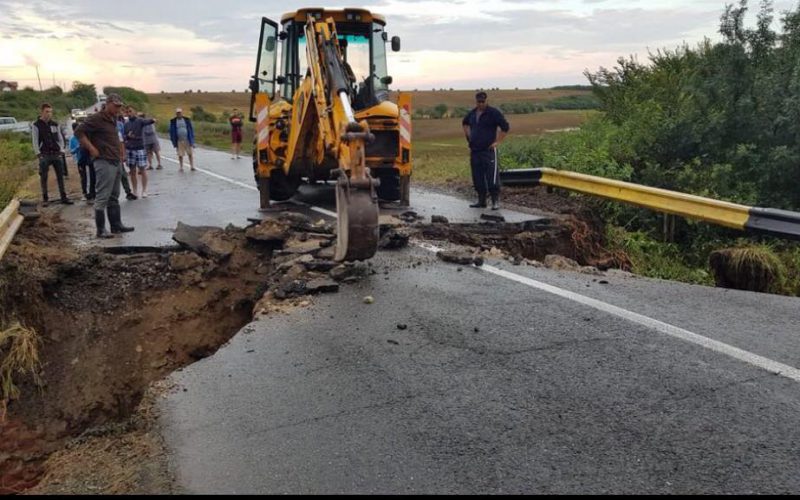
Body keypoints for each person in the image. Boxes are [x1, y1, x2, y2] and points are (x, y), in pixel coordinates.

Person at [75, 93, 135, 238]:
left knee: (114, 195)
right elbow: (79, 132)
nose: (117, 109)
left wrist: (121, 155)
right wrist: (91, 148)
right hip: (103, 161)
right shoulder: (96, 118)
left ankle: (116, 225)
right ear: (107, 104)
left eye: (119, 107)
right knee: (102, 196)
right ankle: (100, 229)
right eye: (115, 106)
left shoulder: (113, 119)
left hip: (115, 160)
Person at [461, 91, 510, 210]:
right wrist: (469, 137)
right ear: (476, 101)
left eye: (483, 101)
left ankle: (495, 201)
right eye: (479, 102)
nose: (481, 104)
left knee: (492, 177)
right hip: (475, 150)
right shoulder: (472, 114)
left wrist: (497, 142)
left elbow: (505, 127)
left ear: (486, 101)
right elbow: (465, 123)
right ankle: (481, 201)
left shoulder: (493, 113)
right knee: (477, 177)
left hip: (488, 151)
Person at [31, 103, 73, 205]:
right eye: (47, 112)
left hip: (56, 153)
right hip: (44, 154)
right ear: (41, 112)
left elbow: (60, 138)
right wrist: (38, 153)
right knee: (44, 177)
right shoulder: (36, 125)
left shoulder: (55, 124)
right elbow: (35, 140)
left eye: (50, 112)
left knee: (60, 176)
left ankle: (63, 197)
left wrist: (61, 150)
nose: (49, 114)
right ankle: (45, 198)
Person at [123, 107, 156, 198]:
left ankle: (144, 190)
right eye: (127, 112)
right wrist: (128, 136)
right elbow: (124, 137)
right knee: (132, 171)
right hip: (130, 149)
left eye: (130, 111)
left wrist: (153, 120)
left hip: (139, 148)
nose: (129, 113)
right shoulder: (126, 124)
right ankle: (135, 191)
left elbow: (148, 121)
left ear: (135, 112)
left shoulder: (139, 121)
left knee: (142, 170)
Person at [69, 122, 96, 203]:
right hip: (80, 160)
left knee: (92, 177)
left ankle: (92, 193)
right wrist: (78, 147)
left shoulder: (85, 137)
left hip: (89, 160)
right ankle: (86, 193)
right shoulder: (73, 139)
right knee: (84, 177)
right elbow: (72, 151)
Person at [116, 110, 138, 200]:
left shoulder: (118, 125)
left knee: (123, 175)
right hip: (107, 156)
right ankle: (110, 196)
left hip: (117, 155)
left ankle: (128, 192)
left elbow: (121, 141)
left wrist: (123, 154)